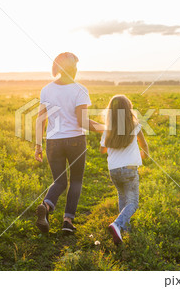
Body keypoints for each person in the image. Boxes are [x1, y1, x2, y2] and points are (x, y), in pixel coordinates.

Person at [35, 52, 102, 233]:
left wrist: (38, 146)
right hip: (75, 141)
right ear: (73, 69)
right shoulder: (80, 90)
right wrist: (107, 128)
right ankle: (67, 222)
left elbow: (40, 120)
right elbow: (83, 122)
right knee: (76, 181)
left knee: (59, 181)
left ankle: (46, 206)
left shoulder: (46, 89)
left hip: (53, 141)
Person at [99, 95, 149, 244]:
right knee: (133, 202)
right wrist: (143, 155)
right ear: (128, 109)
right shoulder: (135, 125)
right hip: (129, 169)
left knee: (123, 197)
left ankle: (124, 230)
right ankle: (117, 224)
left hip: (114, 170)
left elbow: (102, 150)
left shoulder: (108, 128)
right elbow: (145, 146)